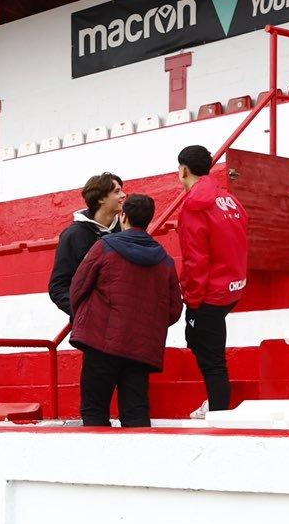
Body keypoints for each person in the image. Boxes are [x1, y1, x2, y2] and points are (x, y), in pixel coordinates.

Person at [70, 194, 182, 428]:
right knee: (136, 414)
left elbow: (78, 287)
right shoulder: (166, 261)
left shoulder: (104, 247)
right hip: (140, 349)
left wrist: (88, 315)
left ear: (123, 216)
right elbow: (173, 310)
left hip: (100, 342)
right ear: (149, 220)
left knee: (94, 411)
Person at [173, 144, 248, 414]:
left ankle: (218, 413)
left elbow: (195, 261)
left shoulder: (194, 207)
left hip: (209, 294)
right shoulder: (229, 199)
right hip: (232, 289)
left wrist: (191, 302)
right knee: (206, 346)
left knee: (212, 360)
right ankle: (215, 406)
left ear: (183, 170)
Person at [48, 173, 125, 315]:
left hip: (122, 322)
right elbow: (58, 287)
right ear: (101, 199)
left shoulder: (125, 229)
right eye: (117, 191)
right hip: (91, 329)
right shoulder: (73, 235)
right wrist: (85, 314)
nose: (123, 195)